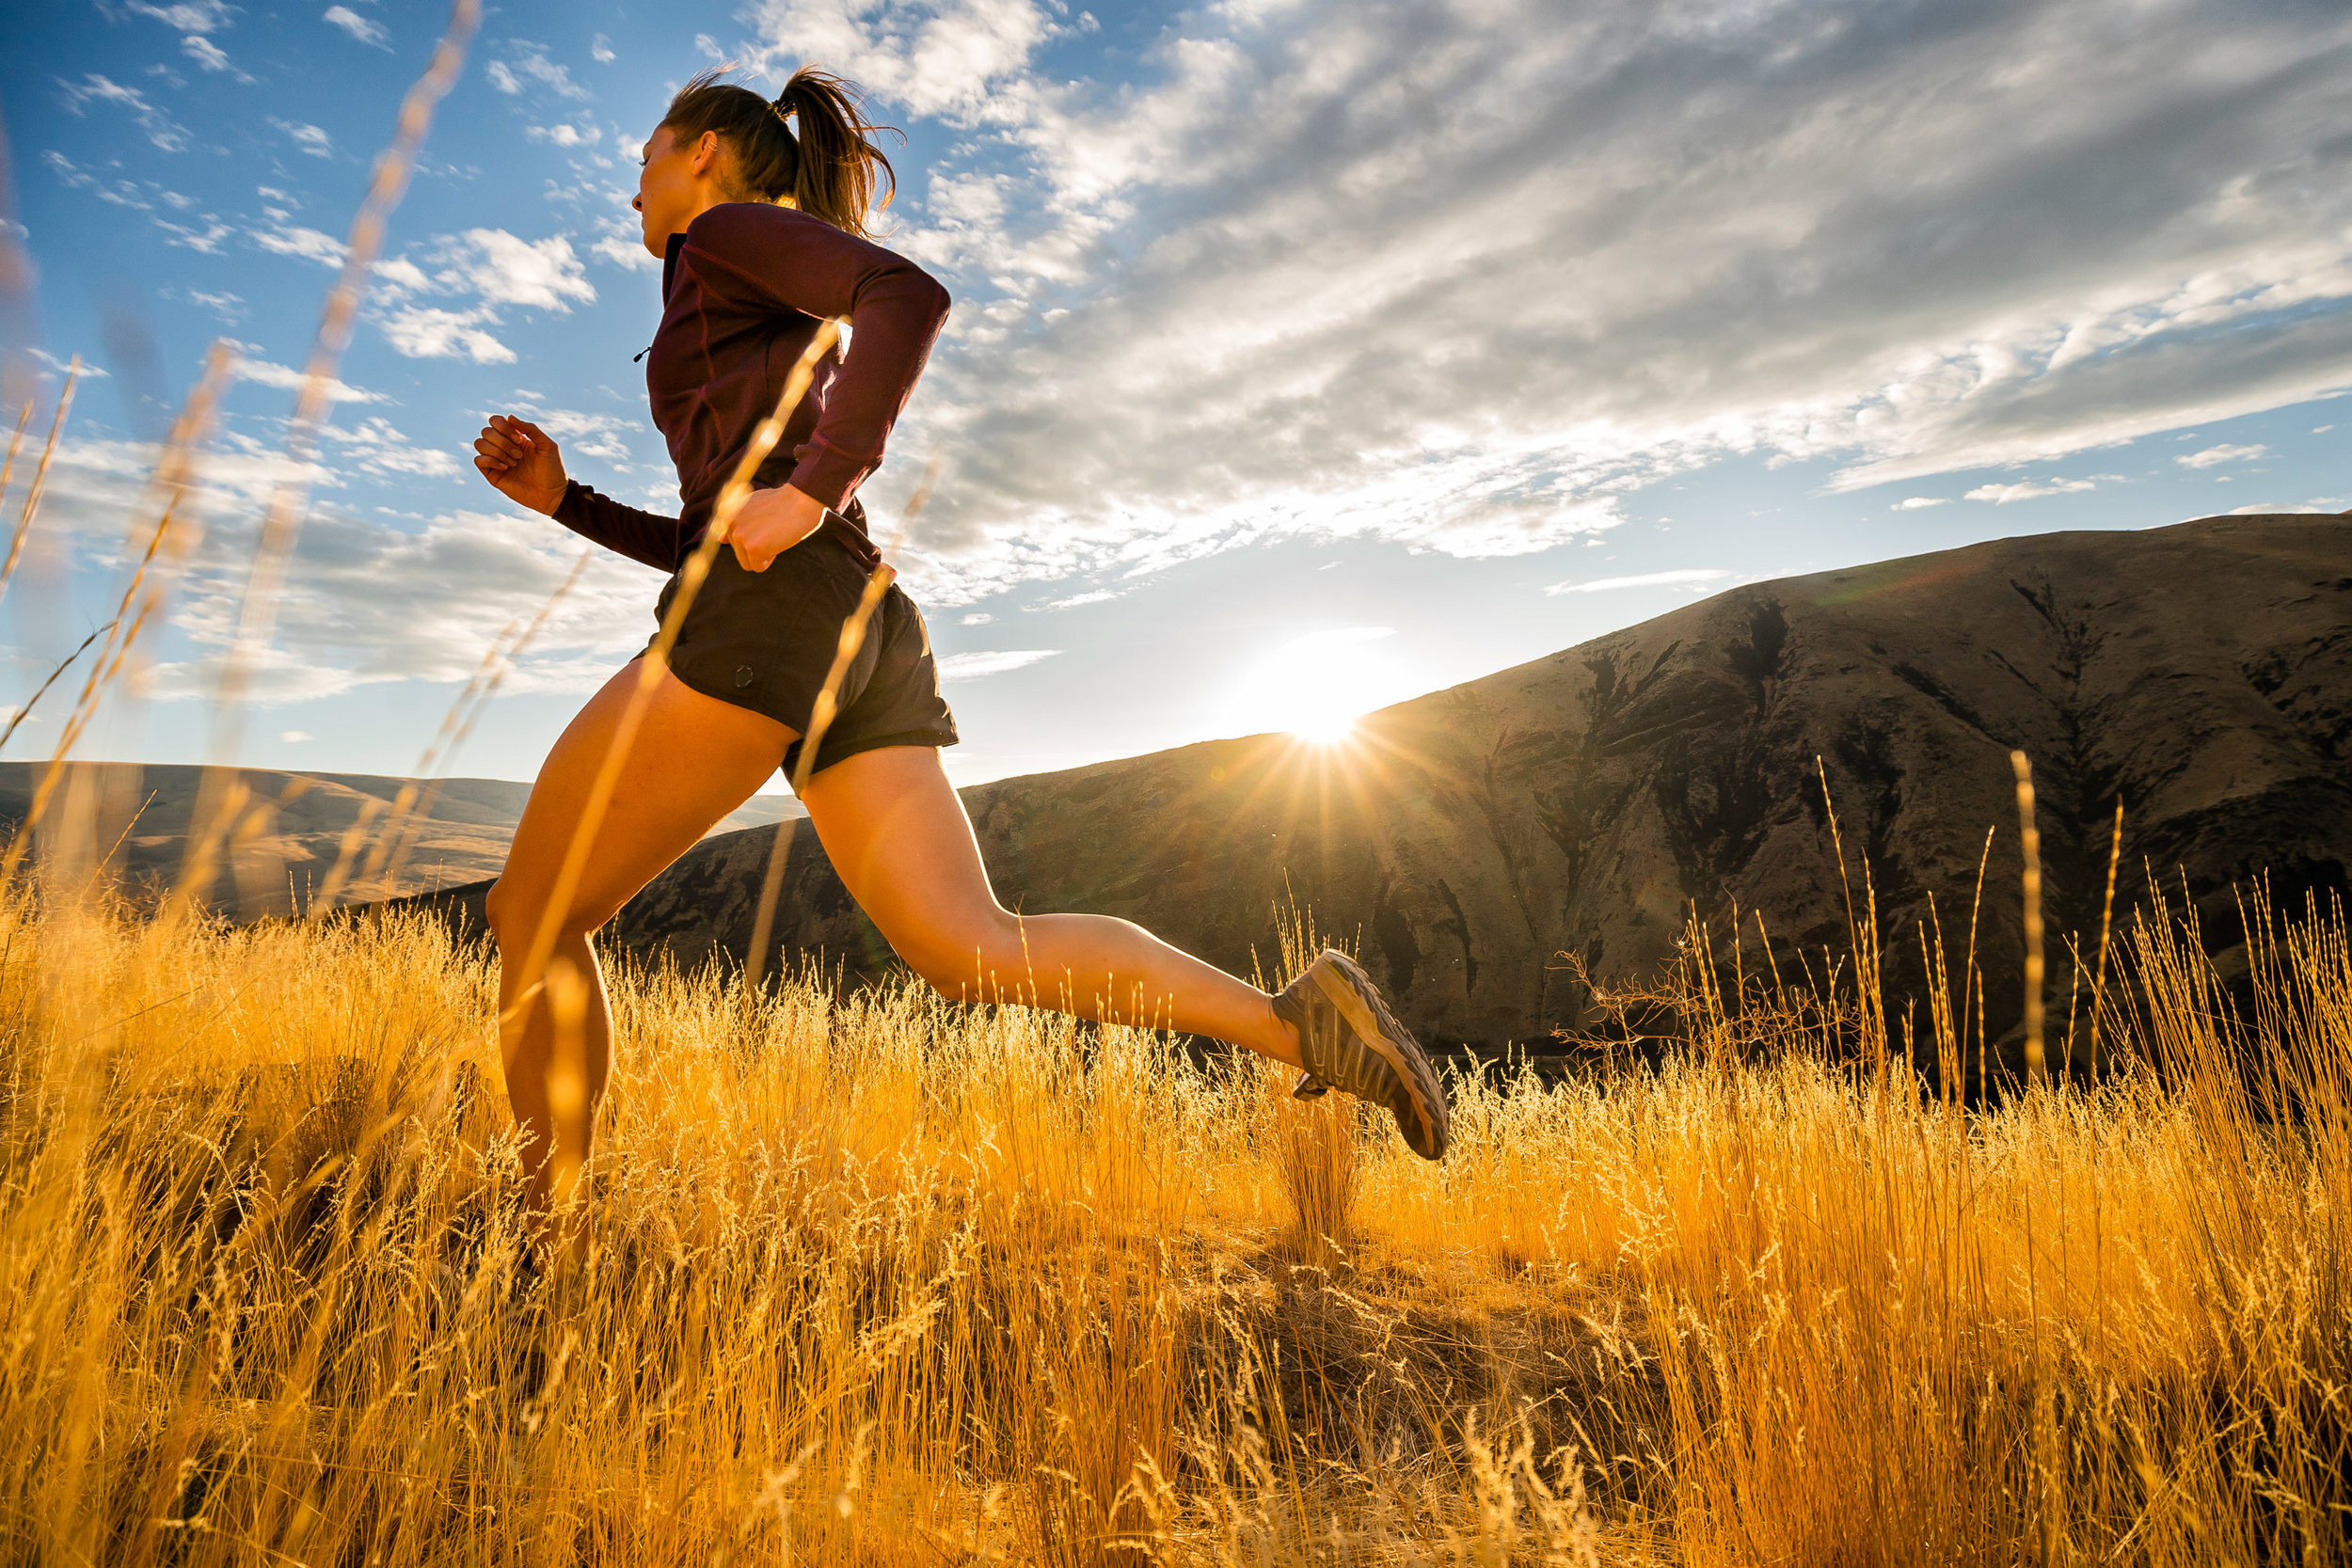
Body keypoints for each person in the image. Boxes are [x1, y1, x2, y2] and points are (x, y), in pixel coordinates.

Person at [469, 67, 1450, 1221]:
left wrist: (821, 485)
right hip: (850, 618)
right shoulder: (730, 279)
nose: (630, 189)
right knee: (970, 945)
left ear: (699, 156)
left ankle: (543, 1239)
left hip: (774, 616)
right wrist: (566, 501)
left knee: (532, 919)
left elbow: (905, 296)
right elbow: (721, 532)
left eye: (643, 160)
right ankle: (1296, 1021)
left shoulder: (726, 236)